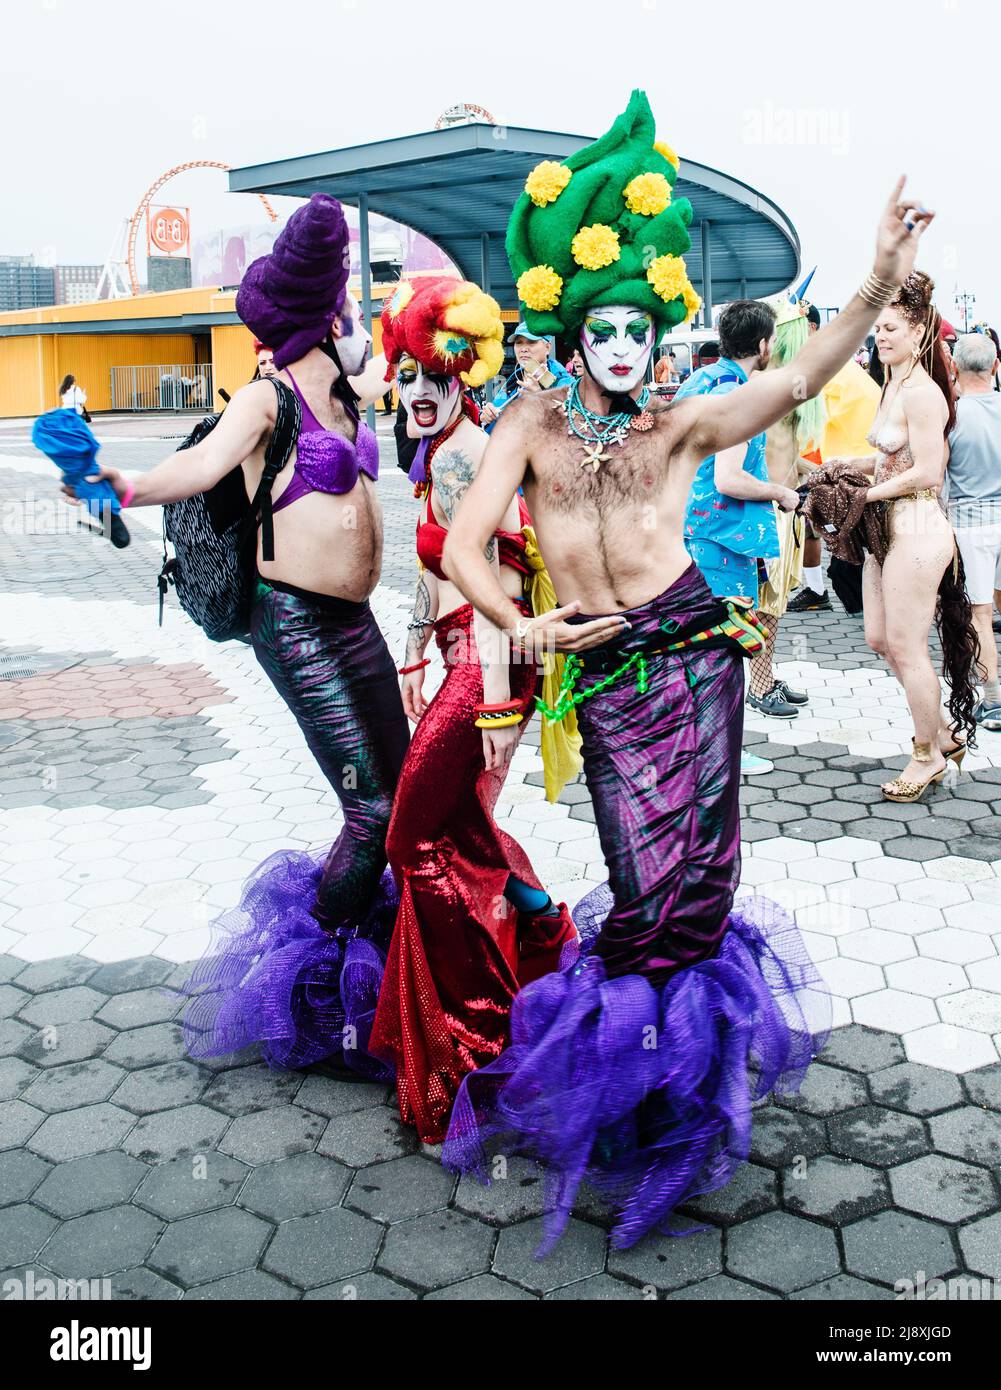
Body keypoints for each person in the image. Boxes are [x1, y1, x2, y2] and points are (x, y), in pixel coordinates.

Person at [437, 88, 929, 1249]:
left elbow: (799, 379)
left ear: (658, 329)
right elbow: (462, 546)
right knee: (635, 877)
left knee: (696, 883)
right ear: (571, 336)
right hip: (603, 673)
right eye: (600, 330)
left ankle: (683, 1110)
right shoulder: (528, 427)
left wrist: (870, 275)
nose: (621, 348)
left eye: (635, 330)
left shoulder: (681, 424)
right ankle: (639, 1080)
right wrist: (528, 622)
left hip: (691, 653)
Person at [70, 194, 411, 1074]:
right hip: (295, 624)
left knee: (401, 793)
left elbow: (399, 365)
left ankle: (383, 966)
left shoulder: (343, 376)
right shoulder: (266, 397)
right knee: (371, 809)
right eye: (332, 312)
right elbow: (204, 462)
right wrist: (126, 487)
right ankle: (319, 990)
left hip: (356, 619)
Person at [366, 277, 579, 1142]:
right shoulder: (437, 453)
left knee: (411, 840)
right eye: (407, 377)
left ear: (466, 378)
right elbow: (437, 568)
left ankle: (476, 1032)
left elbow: (495, 581)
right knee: (450, 830)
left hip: (491, 663)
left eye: (435, 378)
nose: (418, 393)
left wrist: (491, 706)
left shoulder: (464, 456)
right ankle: (540, 939)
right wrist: (414, 650)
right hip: (460, 659)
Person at [854, 272, 979, 800]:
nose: (881, 337)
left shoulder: (924, 394)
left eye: (892, 329)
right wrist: (843, 469)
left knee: (907, 647)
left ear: (919, 333)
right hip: (886, 533)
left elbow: (928, 471)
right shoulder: (891, 385)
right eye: (878, 328)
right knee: (879, 639)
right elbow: (887, 460)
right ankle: (943, 736)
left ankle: (925, 755)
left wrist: (865, 497)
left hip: (919, 530)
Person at [675, 300, 803, 753]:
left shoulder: (701, 380)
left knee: (699, 648)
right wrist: (781, 493)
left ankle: (698, 751)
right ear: (764, 344)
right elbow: (729, 477)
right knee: (724, 651)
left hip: (690, 530)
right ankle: (720, 758)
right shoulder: (738, 394)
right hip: (721, 537)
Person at [752, 294, 828, 714]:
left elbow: (784, 451)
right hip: (767, 512)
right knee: (766, 606)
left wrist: (817, 472)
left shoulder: (787, 388)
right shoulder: (767, 389)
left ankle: (765, 677)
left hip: (785, 509)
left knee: (774, 605)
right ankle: (759, 687)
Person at [788, 302, 881, 613]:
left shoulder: (826, 367)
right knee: (819, 528)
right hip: (843, 464)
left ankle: (861, 598)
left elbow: (810, 418)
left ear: (810, 329)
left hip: (850, 467)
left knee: (848, 542)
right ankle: (820, 590)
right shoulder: (829, 364)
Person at [947, 332, 1001, 729]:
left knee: (981, 612)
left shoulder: (952, 416)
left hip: (971, 524)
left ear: (954, 368)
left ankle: (995, 700)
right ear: (996, 367)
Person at [479, 323, 574, 431]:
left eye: (531, 342)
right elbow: (497, 417)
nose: (523, 349)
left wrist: (540, 399)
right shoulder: (513, 380)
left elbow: (570, 428)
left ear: (547, 347)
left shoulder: (566, 385)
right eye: (519, 343)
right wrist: (486, 417)